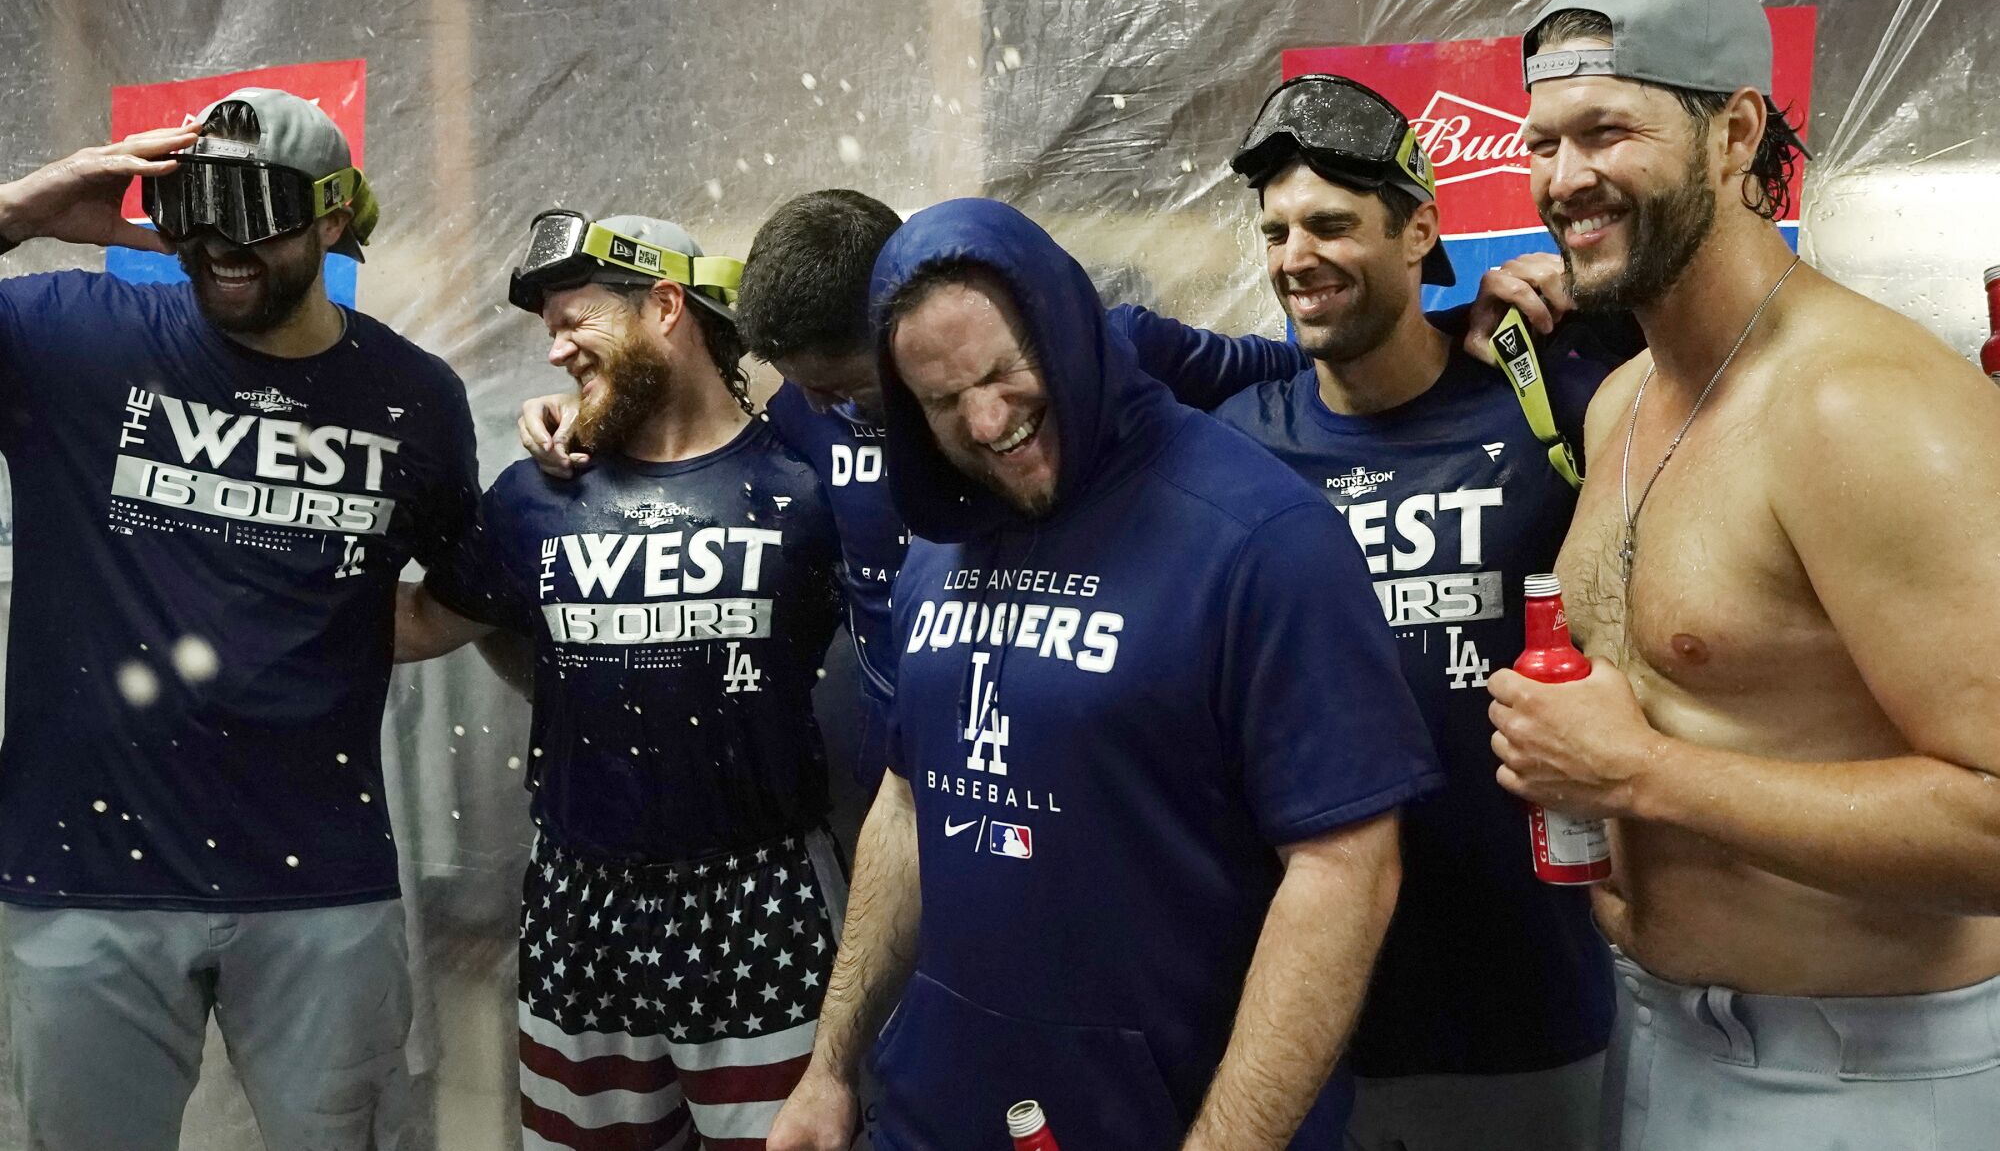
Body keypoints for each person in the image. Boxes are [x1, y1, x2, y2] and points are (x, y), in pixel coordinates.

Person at [768, 197, 1443, 1150]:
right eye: (943, 400)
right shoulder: (942, 544)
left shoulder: (1261, 537)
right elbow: (912, 802)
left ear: (1066, 321)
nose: (989, 419)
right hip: (940, 1110)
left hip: (1164, 1118)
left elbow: (1346, 869)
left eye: (1005, 372)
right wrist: (830, 1065)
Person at [1486, 0, 2000, 1149]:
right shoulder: (1620, 398)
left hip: (1859, 1076)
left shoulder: (1860, 406)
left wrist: (1638, 777)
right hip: (1655, 1037)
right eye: (1539, 140)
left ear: (1732, 134)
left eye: (1606, 130)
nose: (1562, 179)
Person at [0, 92, 478, 1150]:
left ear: (333, 219)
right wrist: (22, 208)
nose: (219, 241)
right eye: (194, 207)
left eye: (253, 209)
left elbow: (461, 587)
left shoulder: (415, 397)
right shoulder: (71, 337)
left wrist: (337, 626)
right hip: (87, 878)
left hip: (317, 883)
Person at [520, 188, 1310, 794]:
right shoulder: (799, 419)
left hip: (1096, 747)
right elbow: (697, 434)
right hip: (908, 773)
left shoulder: (1105, 351)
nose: (822, 406)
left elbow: (1298, 376)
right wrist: (579, 415)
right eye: (806, 390)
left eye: (846, 388)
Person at [1213, 72, 1616, 1151]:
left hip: (1527, 1007)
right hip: (1314, 1020)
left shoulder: (1542, 400)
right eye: (1276, 229)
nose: (1295, 254)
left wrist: (1588, 297)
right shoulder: (1233, 443)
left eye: (1332, 222)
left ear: (1420, 230)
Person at [394, 211, 848, 1149]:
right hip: (579, 903)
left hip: (760, 900)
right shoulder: (537, 494)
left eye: (576, 321)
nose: (555, 351)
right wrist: (226, 579)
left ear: (667, 307)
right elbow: (420, 624)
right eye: (547, 329)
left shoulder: (814, 488)